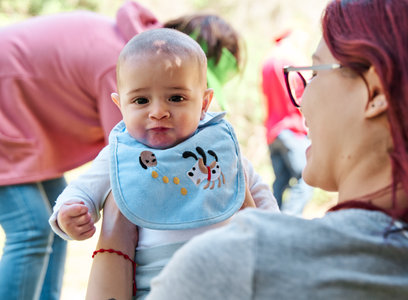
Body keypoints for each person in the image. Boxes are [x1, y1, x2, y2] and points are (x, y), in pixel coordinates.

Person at [86, 0, 408, 299]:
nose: (301, 100)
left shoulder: (241, 265)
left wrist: (114, 238)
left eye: (315, 73)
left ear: (375, 93)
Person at [0, 1, 266, 299]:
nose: (158, 112)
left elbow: (252, 185)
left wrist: (276, 230)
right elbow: (83, 189)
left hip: (225, 278)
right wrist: (71, 212)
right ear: (120, 105)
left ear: (204, 103)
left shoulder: (216, 144)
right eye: (141, 101)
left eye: (176, 98)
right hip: (154, 285)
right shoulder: (124, 150)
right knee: (31, 229)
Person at [261, 30, 314, 213]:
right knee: (306, 180)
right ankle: (288, 224)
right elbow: (305, 93)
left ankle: (271, 223)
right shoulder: (293, 57)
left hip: (273, 131)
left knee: (280, 183)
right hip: (292, 129)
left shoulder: (267, 61)